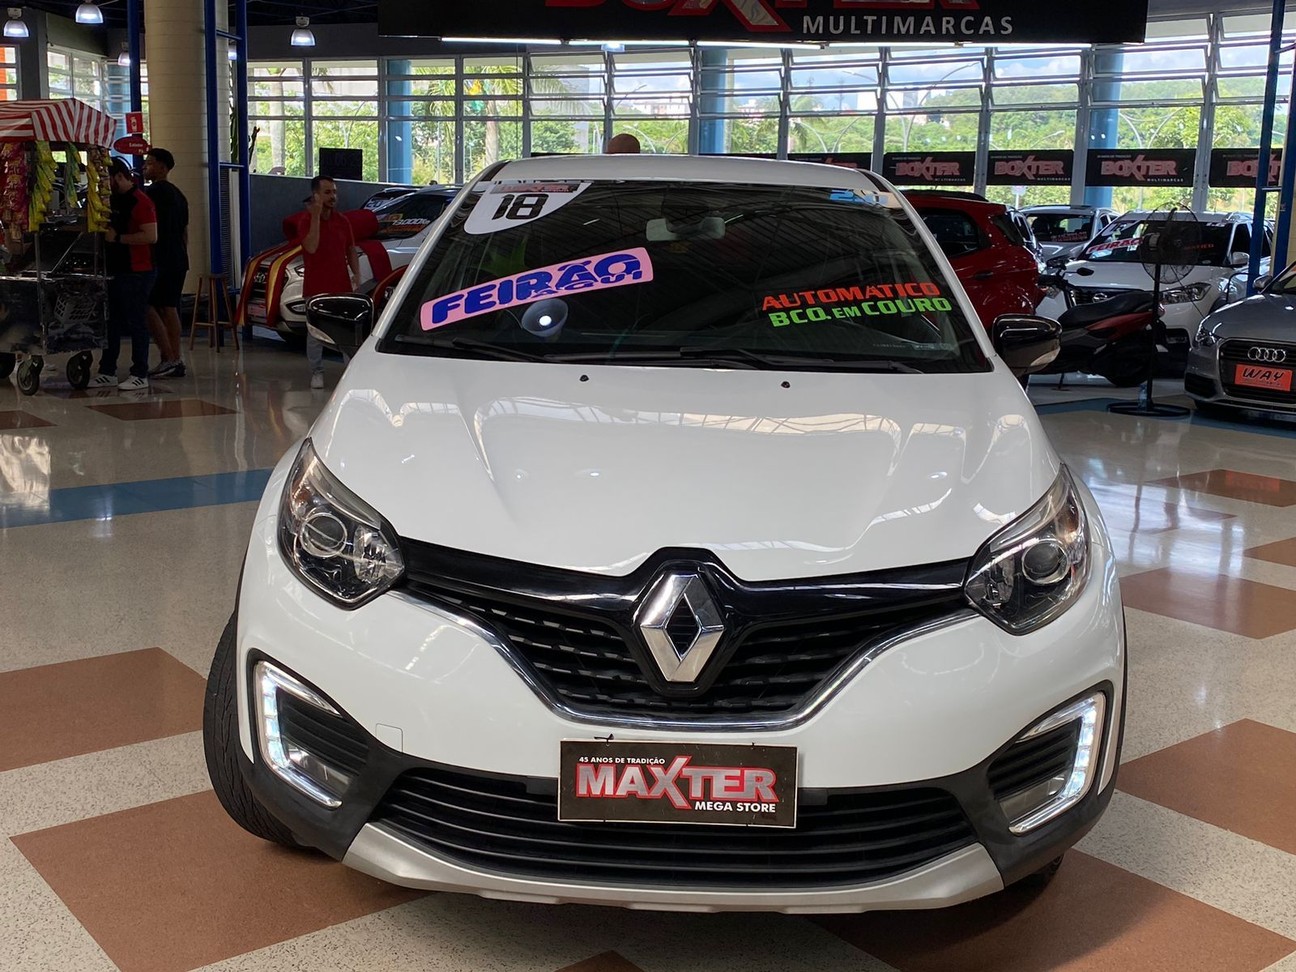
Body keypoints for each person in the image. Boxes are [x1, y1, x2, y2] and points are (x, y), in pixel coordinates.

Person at [88, 158, 157, 391]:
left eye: (106, 179)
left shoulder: (141, 202)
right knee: (111, 321)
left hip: (137, 271)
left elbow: (151, 236)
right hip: (114, 270)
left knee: (136, 321)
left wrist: (118, 238)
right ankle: (107, 370)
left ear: (119, 176)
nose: (104, 185)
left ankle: (140, 373)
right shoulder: (112, 200)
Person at [293, 175, 359, 389]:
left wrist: (357, 276)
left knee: (346, 331)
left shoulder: (343, 221)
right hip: (316, 286)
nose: (333, 197)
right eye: (327, 192)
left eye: (334, 192)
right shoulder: (305, 221)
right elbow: (311, 247)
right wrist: (315, 216)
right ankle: (317, 372)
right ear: (316, 195)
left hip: (341, 286)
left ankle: (350, 372)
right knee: (315, 333)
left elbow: (351, 250)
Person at [142, 148, 190, 379]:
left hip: (162, 258)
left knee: (149, 305)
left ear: (163, 167)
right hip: (178, 258)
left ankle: (169, 357)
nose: (145, 166)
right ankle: (175, 358)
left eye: (150, 163)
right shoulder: (179, 195)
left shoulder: (153, 193)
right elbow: (184, 232)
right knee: (169, 307)